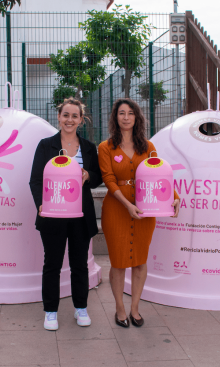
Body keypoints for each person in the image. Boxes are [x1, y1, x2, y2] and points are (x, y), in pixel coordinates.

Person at [98, 98, 180, 328]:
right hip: (116, 209)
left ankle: (135, 307)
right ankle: (120, 308)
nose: (126, 117)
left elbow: (159, 175)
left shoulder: (148, 147)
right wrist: (127, 204)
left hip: (146, 208)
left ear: (137, 117)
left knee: (140, 261)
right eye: (121, 113)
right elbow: (109, 179)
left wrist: (174, 196)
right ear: (115, 117)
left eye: (130, 113)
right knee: (118, 262)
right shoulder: (105, 147)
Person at [29, 97, 102, 331]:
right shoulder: (45, 145)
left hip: (80, 215)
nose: (69, 120)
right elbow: (36, 180)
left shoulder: (89, 147)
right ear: (59, 117)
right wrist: (41, 204)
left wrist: (88, 175)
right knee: (52, 263)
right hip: (52, 214)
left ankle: (80, 307)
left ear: (81, 119)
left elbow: (98, 178)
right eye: (65, 115)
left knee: (79, 264)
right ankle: (50, 311)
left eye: (74, 116)